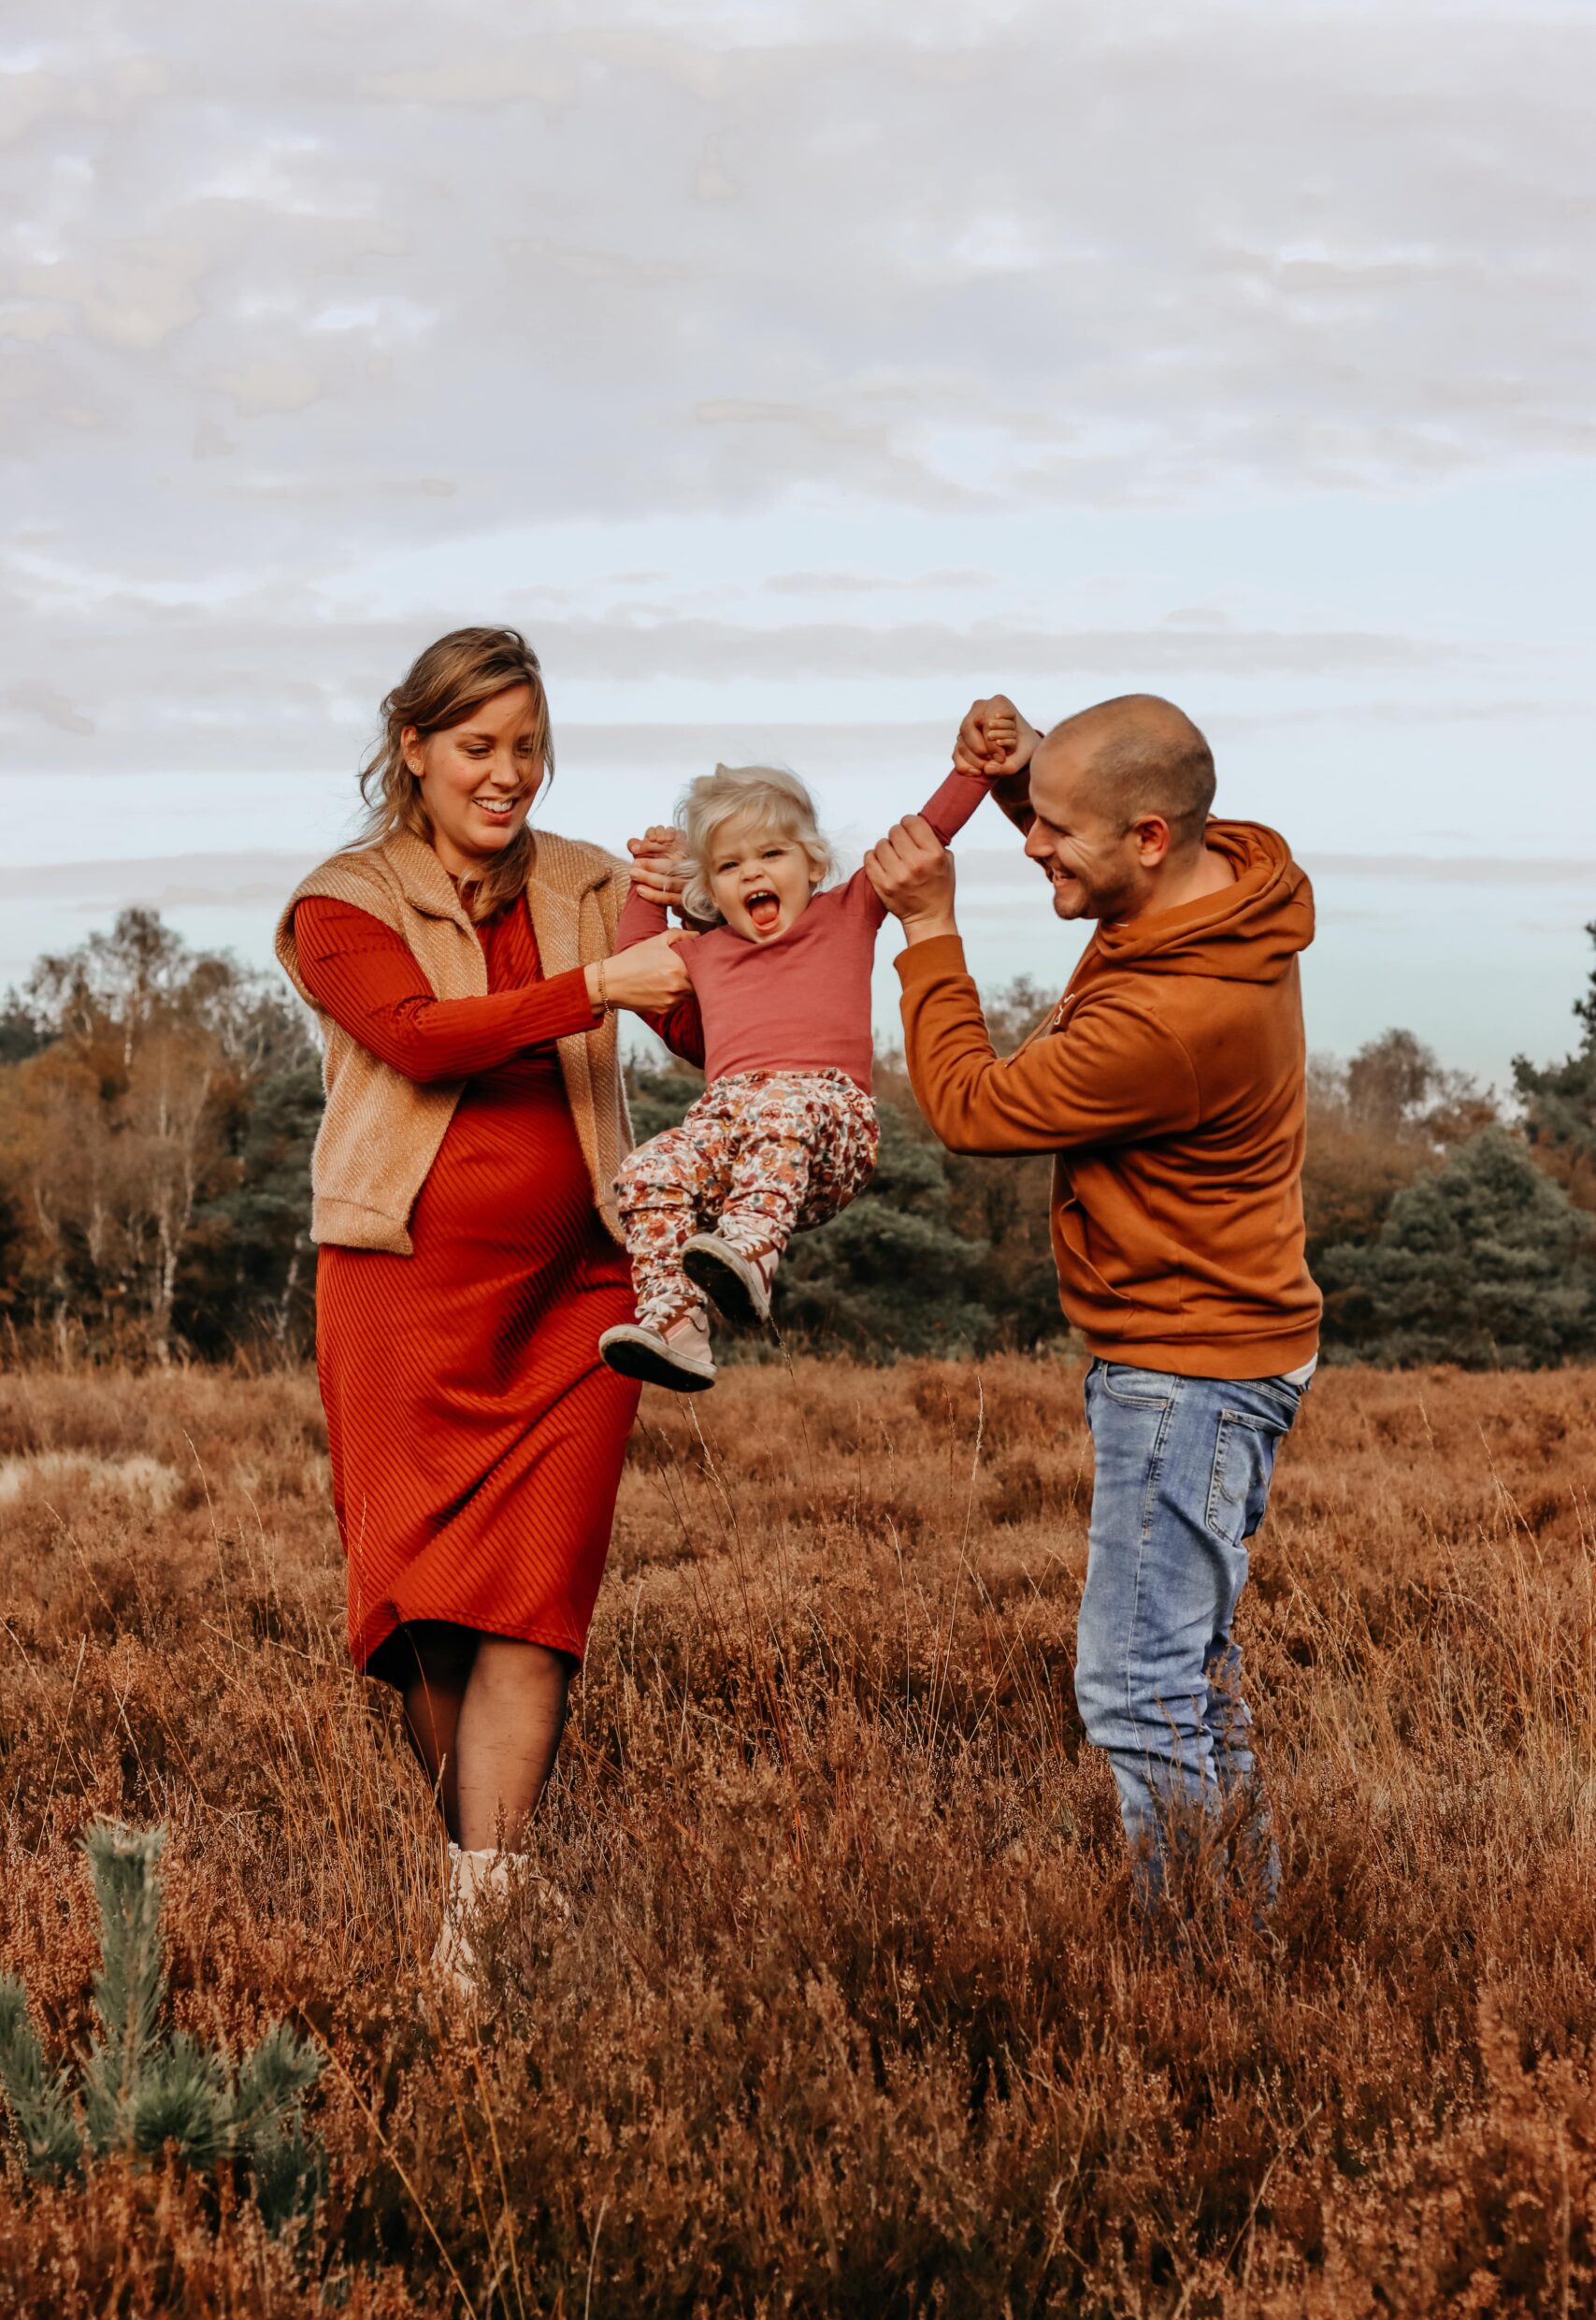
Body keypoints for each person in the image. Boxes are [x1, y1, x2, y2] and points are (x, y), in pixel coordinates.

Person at [275, 625, 692, 1990]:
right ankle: (486, 1878)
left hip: (580, 1289)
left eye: (525, 746)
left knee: (531, 1599)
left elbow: (694, 1027)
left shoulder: (585, 882)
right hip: (402, 1294)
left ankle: (480, 1920)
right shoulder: (339, 901)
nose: (506, 773)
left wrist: (676, 920)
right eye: (476, 747)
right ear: (413, 750)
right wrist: (593, 986)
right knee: (418, 1614)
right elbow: (411, 1034)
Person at [864, 692, 1321, 1902]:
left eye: (1051, 831)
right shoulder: (1222, 884)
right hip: (1226, 1350)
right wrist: (1023, 782)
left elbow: (970, 1108)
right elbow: (1098, 835)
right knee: (1189, 1674)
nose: (1031, 846)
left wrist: (925, 930)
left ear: (1149, 839)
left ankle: (1194, 1981)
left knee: (1136, 1685)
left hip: (1187, 1371)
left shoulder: (1173, 1015)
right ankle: (1243, 1937)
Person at [595, 757, 990, 1391]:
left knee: (780, 1102)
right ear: (708, 891)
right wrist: (647, 883)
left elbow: (924, 834)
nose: (751, 870)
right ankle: (679, 1328)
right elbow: (632, 959)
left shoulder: (847, 910)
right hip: (730, 1134)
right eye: (728, 866)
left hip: (830, 1129)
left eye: (771, 853)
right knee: (649, 1168)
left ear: (811, 863)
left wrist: (976, 769)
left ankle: (753, 1254)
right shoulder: (703, 951)